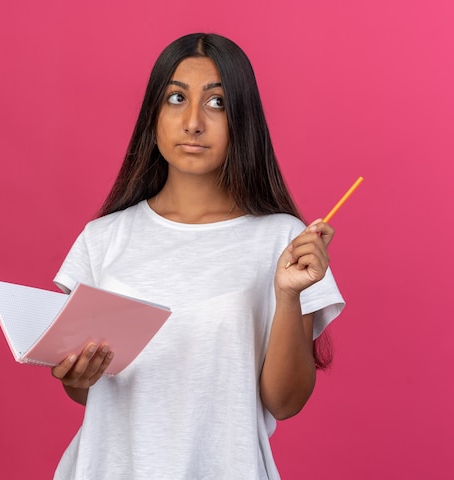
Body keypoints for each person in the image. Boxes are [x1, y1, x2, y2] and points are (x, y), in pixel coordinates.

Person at [50, 33, 344, 479]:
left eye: (217, 103)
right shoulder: (103, 238)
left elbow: (285, 403)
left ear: (242, 120)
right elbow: (90, 394)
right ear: (153, 114)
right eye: (175, 97)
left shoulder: (281, 241)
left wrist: (287, 296)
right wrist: (77, 378)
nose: (192, 122)